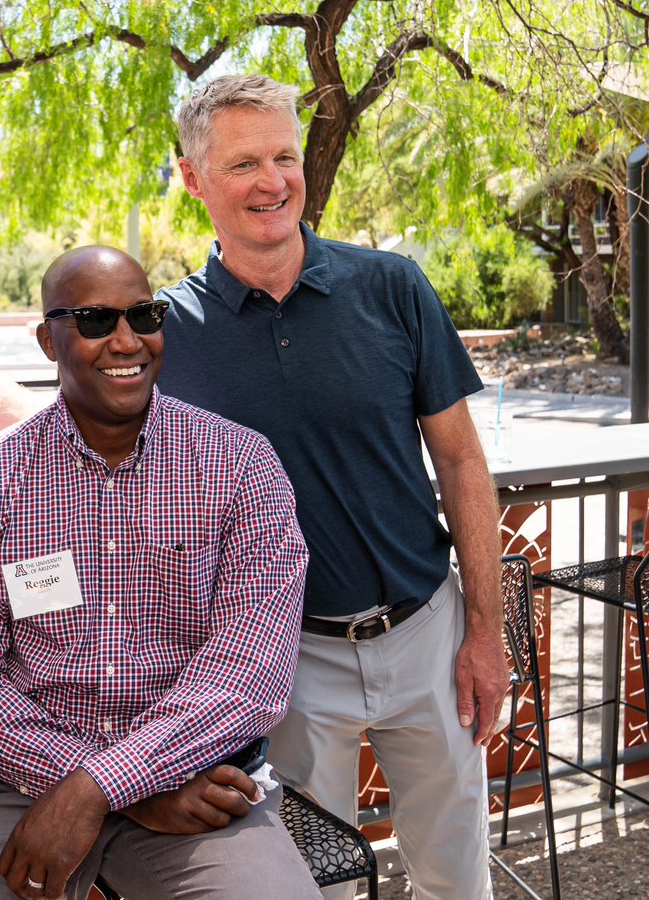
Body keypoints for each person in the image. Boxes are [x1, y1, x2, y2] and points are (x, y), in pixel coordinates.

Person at [157, 74, 508, 899]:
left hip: (428, 629)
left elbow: (460, 461)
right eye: (244, 162)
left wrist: (484, 631)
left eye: (285, 155)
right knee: (316, 885)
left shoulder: (392, 287)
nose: (273, 181)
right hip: (288, 659)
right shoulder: (170, 332)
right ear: (193, 177)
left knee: (458, 878)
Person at [0, 245, 320, 900]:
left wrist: (103, 786)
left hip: (196, 777)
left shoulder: (240, 466)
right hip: (20, 776)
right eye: (97, 320)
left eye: (144, 314)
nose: (126, 339)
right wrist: (118, 787)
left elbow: (249, 675)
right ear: (49, 339)